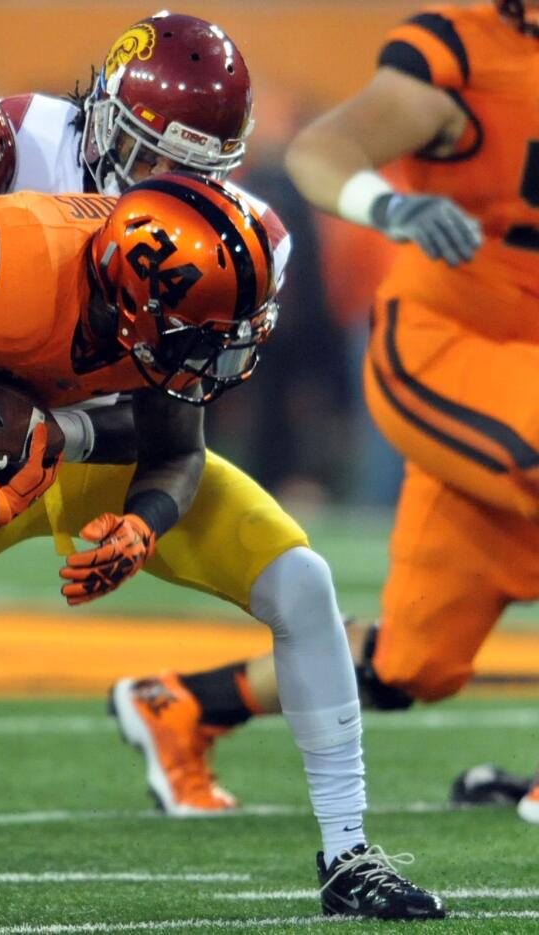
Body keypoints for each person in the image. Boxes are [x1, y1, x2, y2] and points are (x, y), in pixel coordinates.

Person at [0, 13, 437, 926]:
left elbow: (174, 427)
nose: (169, 189)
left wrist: (128, 501)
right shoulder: (4, 146)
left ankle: (350, 851)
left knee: (300, 580)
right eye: (152, 160)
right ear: (107, 120)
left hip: (87, 439)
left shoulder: (225, 231)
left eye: (196, 173)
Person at [194, 0, 539, 831]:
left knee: (413, 661)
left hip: (522, 377)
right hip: (446, 348)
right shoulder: (467, 52)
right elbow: (324, 147)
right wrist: (394, 208)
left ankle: (183, 704)